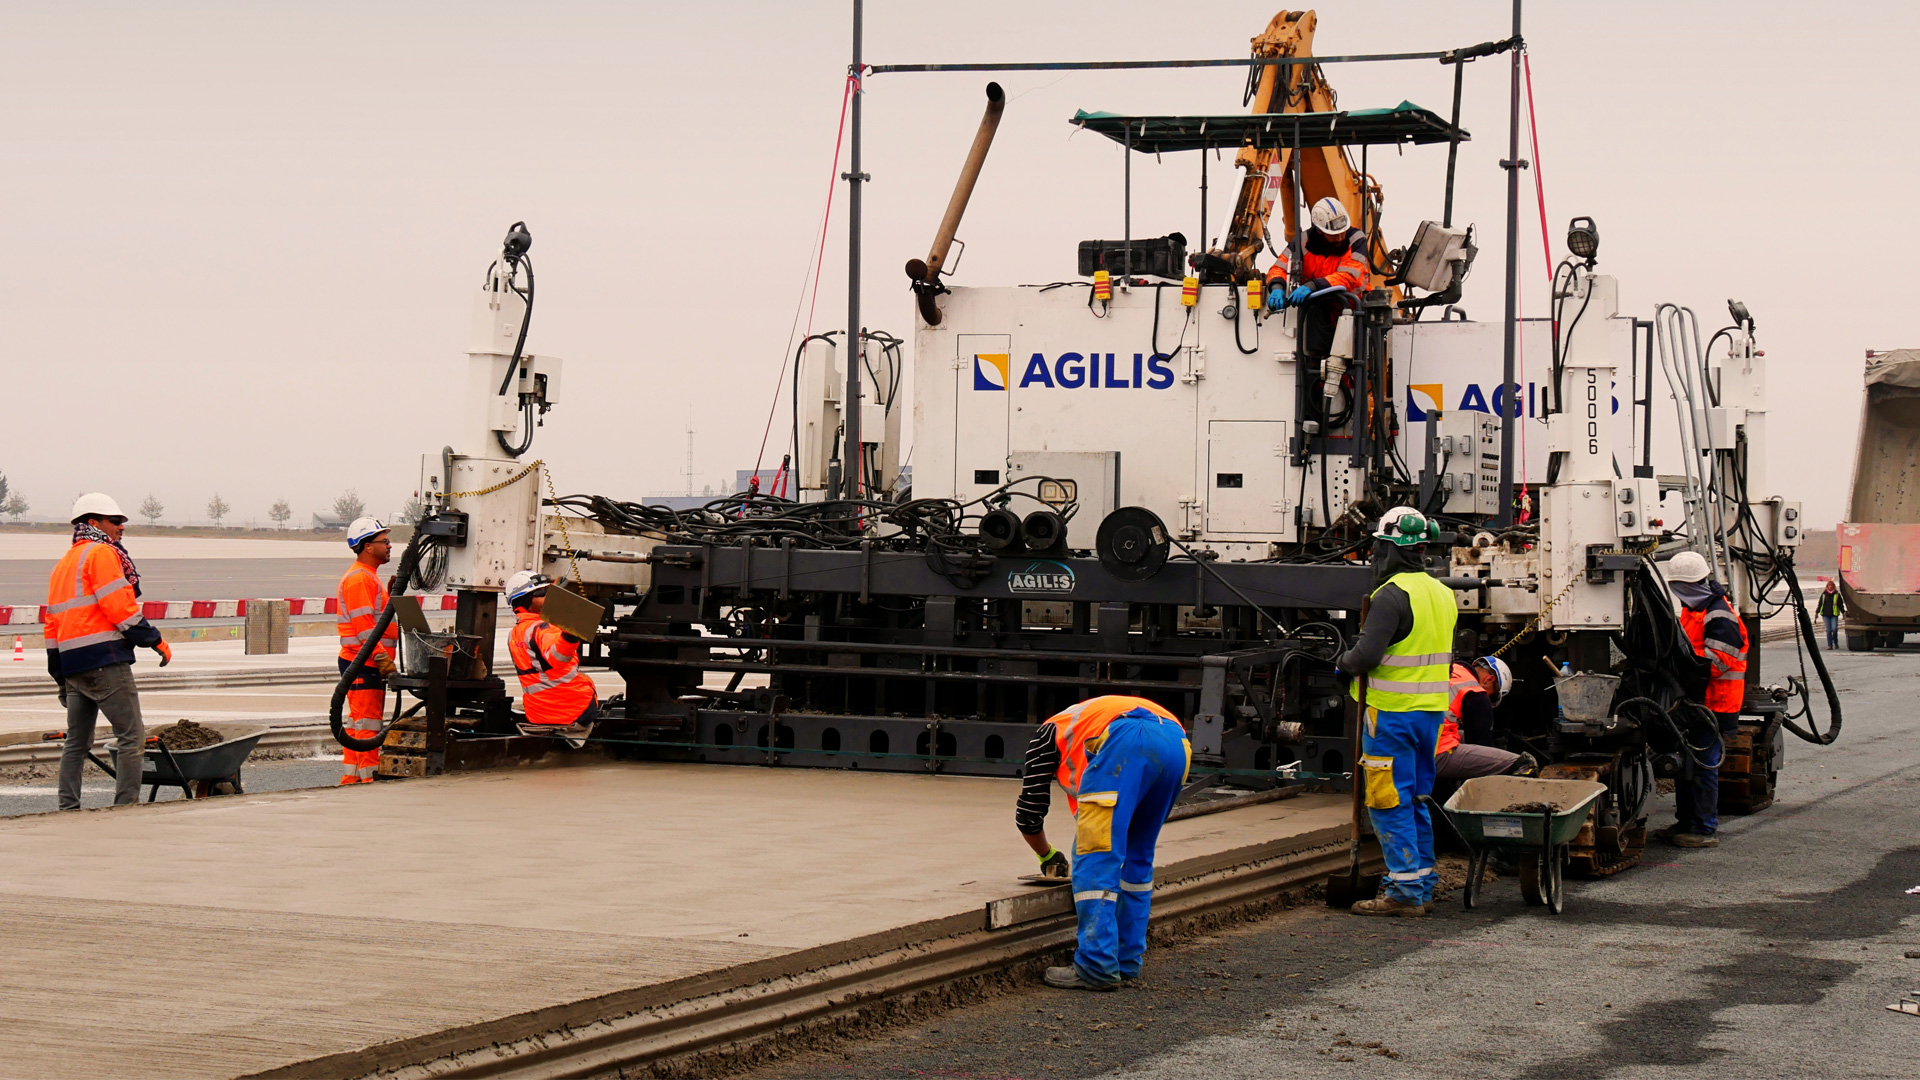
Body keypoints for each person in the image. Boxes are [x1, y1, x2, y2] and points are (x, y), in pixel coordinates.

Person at [1014, 695, 1191, 991]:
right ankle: (1126, 960)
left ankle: (1096, 966)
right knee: (1138, 857)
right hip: (1176, 741)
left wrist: (1047, 856)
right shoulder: (1085, 721)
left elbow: (1029, 814)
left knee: (1096, 855)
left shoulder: (1046, 735)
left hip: (1125, 739)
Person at [1333, 506, 1457, 917]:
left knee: (1388, 799)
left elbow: (1366, 656)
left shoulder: (1390, 595)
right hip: (1430, 714)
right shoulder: (1442, 593)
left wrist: (1343, 663)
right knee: (1418, 795)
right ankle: (1420, 881)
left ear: (1388, 549)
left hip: (1391, 714)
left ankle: (1403, 894)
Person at [46, 493, 170, 810]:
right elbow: (120, 607)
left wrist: (60, 675)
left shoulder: (64, 564)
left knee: (76, 742)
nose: (121, 527)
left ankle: (67, 808)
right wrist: (153, 639)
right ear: (93, 523)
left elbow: (51, 626)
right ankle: (126, 808)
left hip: (73, 665)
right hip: (105, 662)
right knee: (132, 737)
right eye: (115, 521)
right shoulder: (101, 553)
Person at [1658, 550, 1748, 849]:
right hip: (1698, 701)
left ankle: (1705, 828)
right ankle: (1687, 822)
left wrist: (1682, 664)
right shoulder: (1693, 609)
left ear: (1695, 584)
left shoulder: (1718, 614)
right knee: (1688, 764)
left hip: (1716, 704)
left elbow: (1721, 659)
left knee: (1704, 765)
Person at [1265, 195, 1371, 360]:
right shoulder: (1301, 243)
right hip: (1319, 313)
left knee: (1349, 362)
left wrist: (1312, 286)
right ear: (1320, 231)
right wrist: (1277, 287)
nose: (1340, 237)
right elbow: (1279, 267)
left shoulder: (1356, 240)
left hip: (1352, 311)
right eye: (1334, 234)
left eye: (1342, 232)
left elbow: (1349, 277)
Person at [336, 517, 397, 785]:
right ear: (367, 546)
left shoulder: (369, 578)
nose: (389, 546)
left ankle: (352, 777)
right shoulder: (360, 579)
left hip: (363, 662)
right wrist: (383, 659)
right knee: (367, 725)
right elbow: (365, 629)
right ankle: (368, 779)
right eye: (384, 541)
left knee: (358, 723)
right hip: (365, 662)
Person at [503, 570, 599, 730]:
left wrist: (554, 594)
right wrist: (570, 633)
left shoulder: (515, 633)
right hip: (573, 711)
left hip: (537, 714)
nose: (547, 597)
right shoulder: (543, 629)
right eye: (542, 593)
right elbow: (558, 656)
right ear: (526, 600)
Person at [1435, 655, 1537, 783]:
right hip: (1435, 752)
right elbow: (1480, 744)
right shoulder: (1476, 693)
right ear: (1489, 679)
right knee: (1523, 764)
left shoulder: (1453, 669)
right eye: (1490, 695)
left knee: (1463, 736)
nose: (1487, 698)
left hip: (1414, 739)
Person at [1816, 579, 1844, 650]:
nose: (1830, 587)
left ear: (1834, 586)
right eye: (1829, 585)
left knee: (1834, 629)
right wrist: (1817, 613)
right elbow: (1820, 604)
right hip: (1825, 614)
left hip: (1834, 615)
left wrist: (1844, 612)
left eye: (1832, 585)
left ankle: (1835, 642)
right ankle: (1830, 645)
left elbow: (1840, 605)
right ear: (1827, 586)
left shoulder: (1837, 594)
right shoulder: (1824, 594)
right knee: (1828, 630)